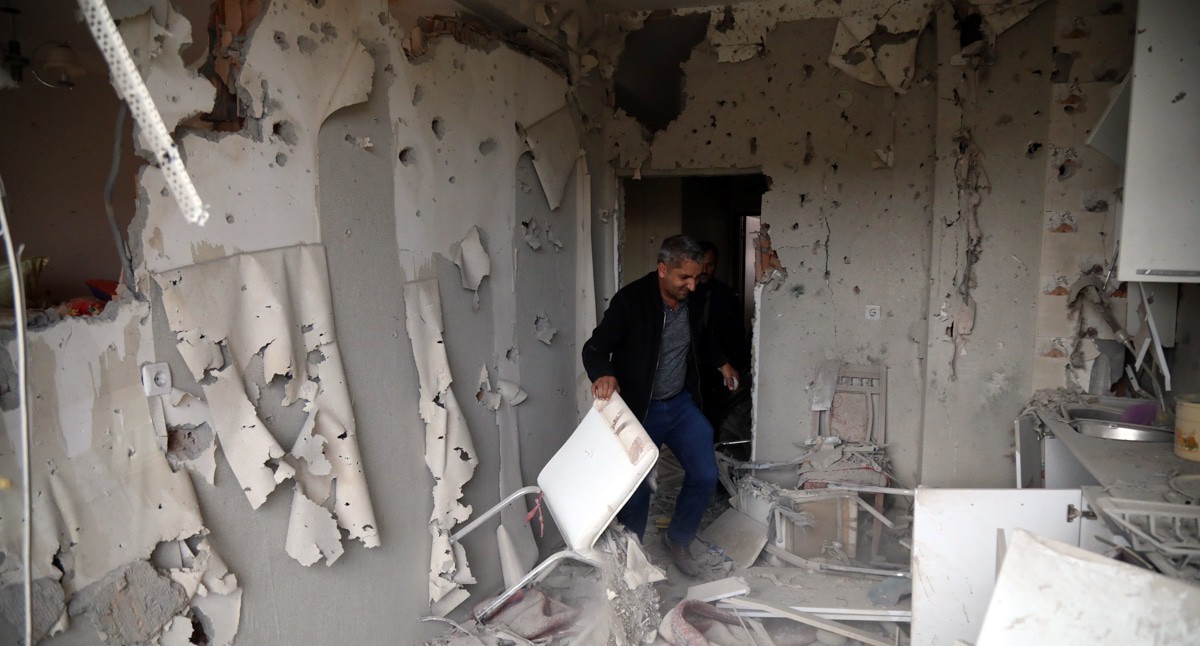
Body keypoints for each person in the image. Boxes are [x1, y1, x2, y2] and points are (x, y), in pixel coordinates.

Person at [581, 234, 739, 577]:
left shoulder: (692, 300)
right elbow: (595, 347)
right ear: (663, 269)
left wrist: (722, 363)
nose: (692, 285)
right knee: (637, 488)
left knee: (705, 474)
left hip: (679, 405)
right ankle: (632, 556)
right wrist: (603, 374)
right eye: (685, 277)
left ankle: (678, 539)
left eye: (696, 277)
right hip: (642, 408)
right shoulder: (631, 301)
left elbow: (702, 337)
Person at [692, 241, 750, 439]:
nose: (705, 270)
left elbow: (736, 336)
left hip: (718, 371)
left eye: (710, 265)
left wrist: (736, 368)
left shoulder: (726, 295)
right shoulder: (685, 294)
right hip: (690, 369)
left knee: (714, 421)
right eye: (702, 264)